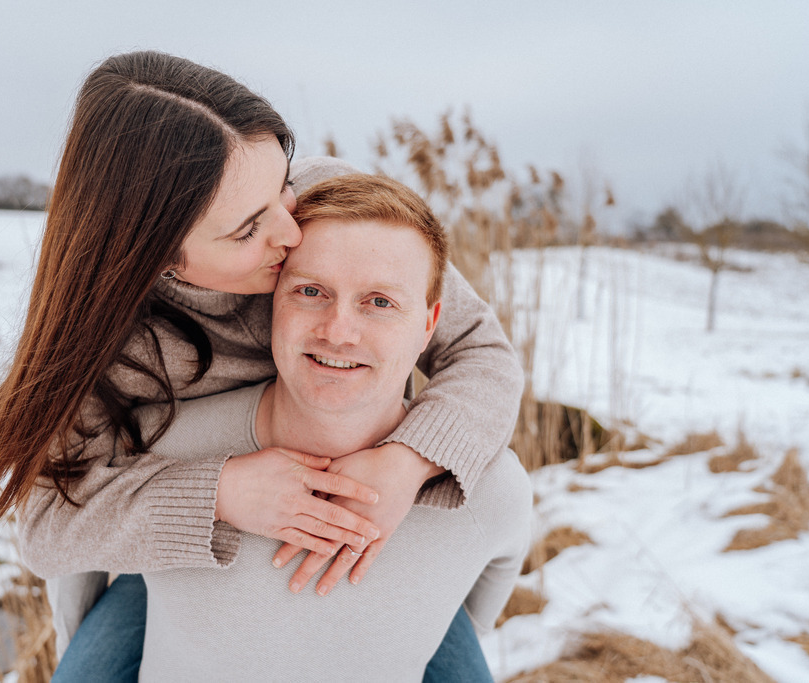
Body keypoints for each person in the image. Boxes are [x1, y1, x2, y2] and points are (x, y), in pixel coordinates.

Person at [0, 50, 523, 677]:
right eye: (248, 229)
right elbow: (48, 529)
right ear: (160, 258)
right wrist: (222, 492)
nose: (293, 232)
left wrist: (406, 464)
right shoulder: (111, 347)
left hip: (381, 541)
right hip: (189, 562)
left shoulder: (337, 215)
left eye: (281, 185)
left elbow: (483, 353)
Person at [49, 173, 532, 681]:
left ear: (429, 325)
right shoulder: (149, 431)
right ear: (272, 301)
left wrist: (410, 471)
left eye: (380, 302)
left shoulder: (485, 489)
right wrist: (217, 492)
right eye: (310, 291)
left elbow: (489, 575)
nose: (339, 332)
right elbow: (62, 537)